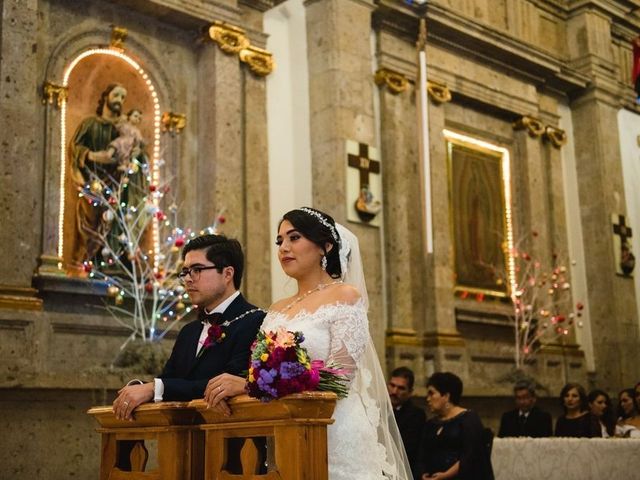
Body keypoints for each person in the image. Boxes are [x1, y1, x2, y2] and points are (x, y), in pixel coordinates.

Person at [211, 207, 411, 479]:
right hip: (284, 427)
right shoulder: (277, 309)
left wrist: (251, 384)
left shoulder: (344, 296)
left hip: (334, 429)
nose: (284, 247)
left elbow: (339, 378)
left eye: (294, 238)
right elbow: (259, 365)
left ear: (325, 246)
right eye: (279, 240)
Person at [112, 234, 265, 420]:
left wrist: (155, 388)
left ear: (227, 274)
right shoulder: (189, 331)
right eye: (185, 272)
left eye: (197, 270)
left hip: (232, 436)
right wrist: (138, 389)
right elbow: (171, 380)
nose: (188, 279)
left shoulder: (256, 321)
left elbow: (226, 385)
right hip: (184, 438)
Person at [68, 83, 133, 265]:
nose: (119, 100)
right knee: (89, 221)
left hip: (116, 185)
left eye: (123, 97)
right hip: (92, 182)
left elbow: (133, 151)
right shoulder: (90, 124)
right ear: (106, 96)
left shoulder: (123, 129)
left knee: (114, 225)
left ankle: (107, 264)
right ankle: (83, 263)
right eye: (116, 95)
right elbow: (74, 147)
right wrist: (89, 155)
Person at [417, 372, 493, 480]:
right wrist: (422, 473)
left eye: (431, 393)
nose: (428, 399)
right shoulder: (431, 424)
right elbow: (422, 455)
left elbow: (471, 456)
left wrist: (446, 475)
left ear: (446, 396)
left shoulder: (468, 419)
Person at [388, 367, 426, 475]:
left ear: (410, 392)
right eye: (392, 385)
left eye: (401, 388)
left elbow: (408, 448)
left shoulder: (416, 415)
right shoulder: (377, 408)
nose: (394, 391)